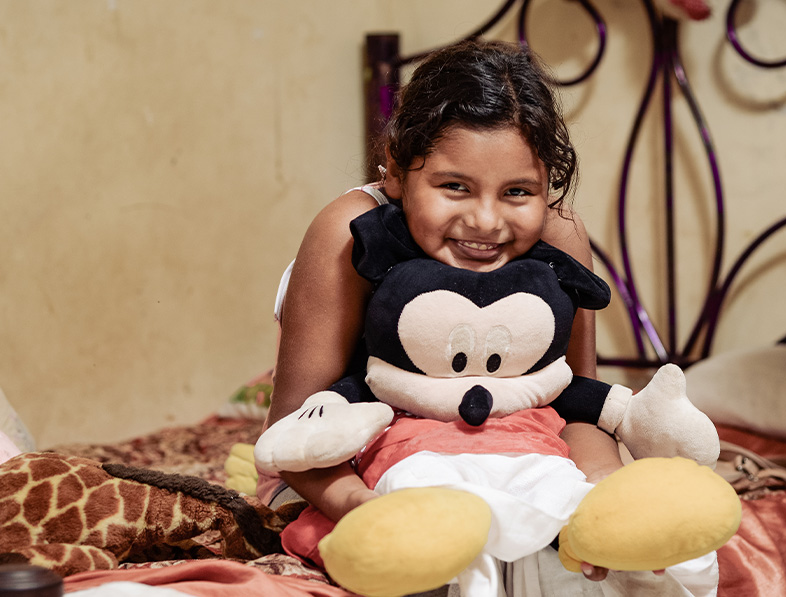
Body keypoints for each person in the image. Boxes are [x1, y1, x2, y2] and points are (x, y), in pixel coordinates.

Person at [261, 39, 717, 596]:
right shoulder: (350, 229)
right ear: (399, 171)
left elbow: (574, 403)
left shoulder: (557, 232)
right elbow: (294, 434)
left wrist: (601, 496)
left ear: (548, 183)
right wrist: (364, 508)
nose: (485, 220)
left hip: (519, 459)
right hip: (337, 472)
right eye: (455, 186)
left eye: (517, 192)